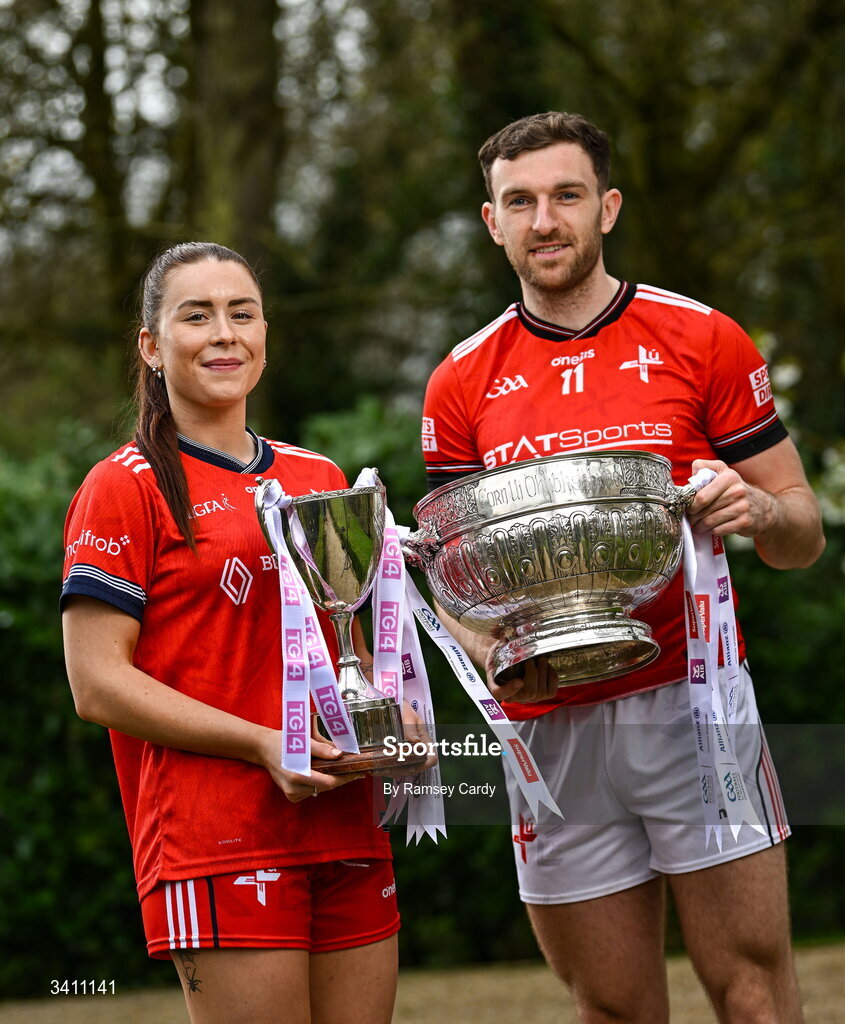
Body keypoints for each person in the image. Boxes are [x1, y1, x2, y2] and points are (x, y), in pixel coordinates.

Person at [421, 112, 824, 1023]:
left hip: (691, 701)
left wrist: (757, 510)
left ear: (605, 207)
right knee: (612, 1011)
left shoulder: (702, 337)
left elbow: (802, 531)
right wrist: (486, 652)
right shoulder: (460, 380)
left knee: (752, 993)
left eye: (565, 196)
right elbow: (455, 570)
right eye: (517, 202)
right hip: (549, 725)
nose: (544, 220)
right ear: (491, 223)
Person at [62, 242, 403, 1024]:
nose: (224, 333)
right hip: (216, 840)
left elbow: (357, 646)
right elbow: (95, 683)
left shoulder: (319, 477)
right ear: (152, 346)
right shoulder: (123, 486)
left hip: (343, 822)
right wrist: (261, 743)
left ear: (264, 334)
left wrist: (392, 714)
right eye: (197, 315)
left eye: (240, 313)